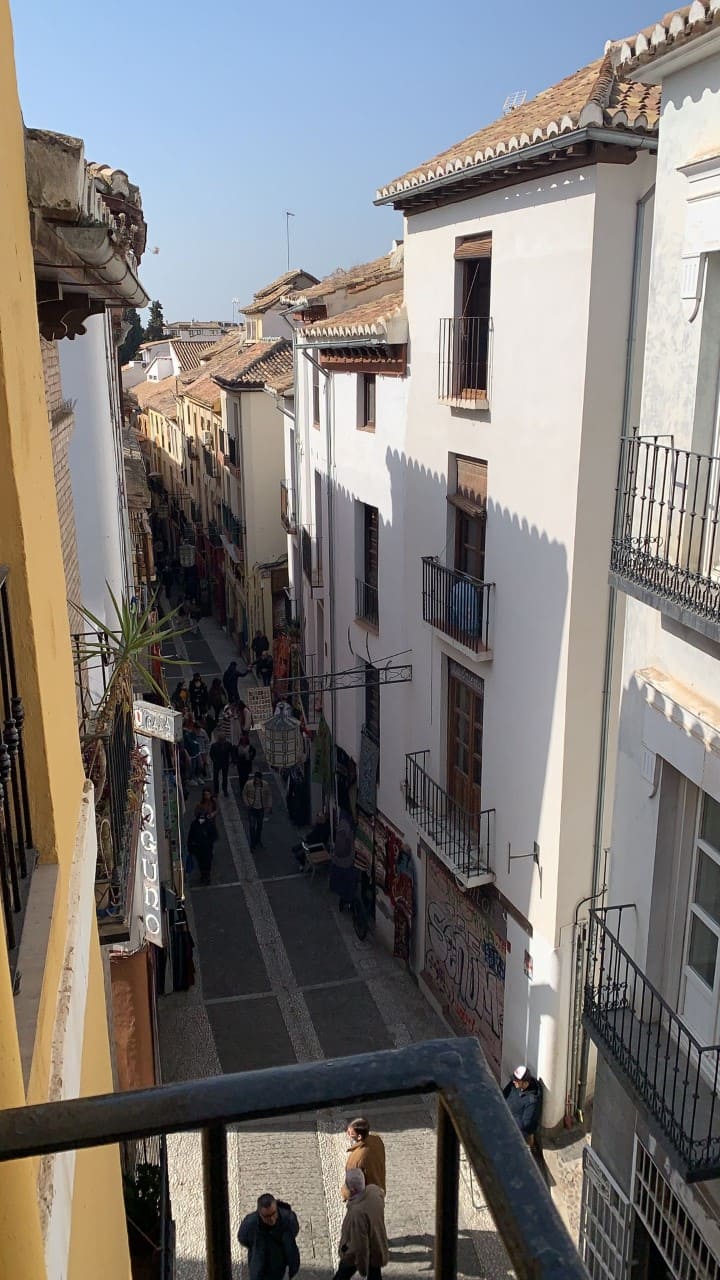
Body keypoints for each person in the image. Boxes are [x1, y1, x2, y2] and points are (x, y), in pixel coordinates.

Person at [334, 1169, 388, 1280]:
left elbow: (360, 1245)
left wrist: (363, 1269)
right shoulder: (374, 1192)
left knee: (341, 1276)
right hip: (376, 1245)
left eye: (346, 1185)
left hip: (352, 1254)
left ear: (352, 1190)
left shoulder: (356, 1214)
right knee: (375, 1273)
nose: (343, 1187)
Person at [238, 1194, 300, 1280]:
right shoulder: (250, 1224)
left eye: (274, 1214)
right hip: (260, 1266)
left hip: (282, 1263)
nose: (272, 1219)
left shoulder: (288, 1218)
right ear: (260, 1214)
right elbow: (242, 1238)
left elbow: (294, 1231)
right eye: (267, 1217)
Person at [343, 1119, 386, 1201]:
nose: (347, 1134)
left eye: (350, 1133)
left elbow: (351, 1187)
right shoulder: (377, 1140)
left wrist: (345, 1194)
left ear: (359, 1137)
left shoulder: (356, 1159)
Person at [503, 1065, 542, 1147]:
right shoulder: (514, 1084)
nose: (514, 1081)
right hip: (506, 1115)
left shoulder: (532, 1101)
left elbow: (525, 1124)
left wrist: (508, 1120)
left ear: (525, 1083)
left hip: (517, 1127)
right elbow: (504, 1094)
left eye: (516, 1081)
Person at [330, 808, 356, 912]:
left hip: (341, 860)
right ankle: (349, 904)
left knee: (344, 886)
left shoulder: (343, 822)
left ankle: (344, 903)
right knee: (348, 885)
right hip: (347, 861)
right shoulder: (348, 825)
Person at [243, 769, 272, 849]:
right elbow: (244, 794)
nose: (257, 781)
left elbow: (269, 794)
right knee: (252, 826)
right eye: (256, 779)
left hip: (261, 809)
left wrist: (269, 806)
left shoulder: (265, 785)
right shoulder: (248, 784)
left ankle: (258, 840)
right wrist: (247, 804)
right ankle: (252, 843)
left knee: (259, 826)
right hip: (252, 808)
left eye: (258, 780)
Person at [187, 810, 216, 886]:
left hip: (207, 849)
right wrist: (190, 847)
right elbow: (191, 836)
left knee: (207, 863)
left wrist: (208, 841)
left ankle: (207, 876)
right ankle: (204, 876)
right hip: (198, 849)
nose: (201, 820)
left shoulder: (209, 824)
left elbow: (214, 835)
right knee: (201, 863)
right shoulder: (194, 824)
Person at [210, 730, 232, 798]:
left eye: (223, 739)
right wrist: (214, 761)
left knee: (225, 777)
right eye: (221, 740)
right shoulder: (214, 746)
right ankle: (216, 791)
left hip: (225, 763)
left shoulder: (228, 744)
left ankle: (225, 790)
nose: (222, 741)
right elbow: (211, 754)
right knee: (215, 778)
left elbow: (231, 752)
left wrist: (230, 760)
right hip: (217, 764)